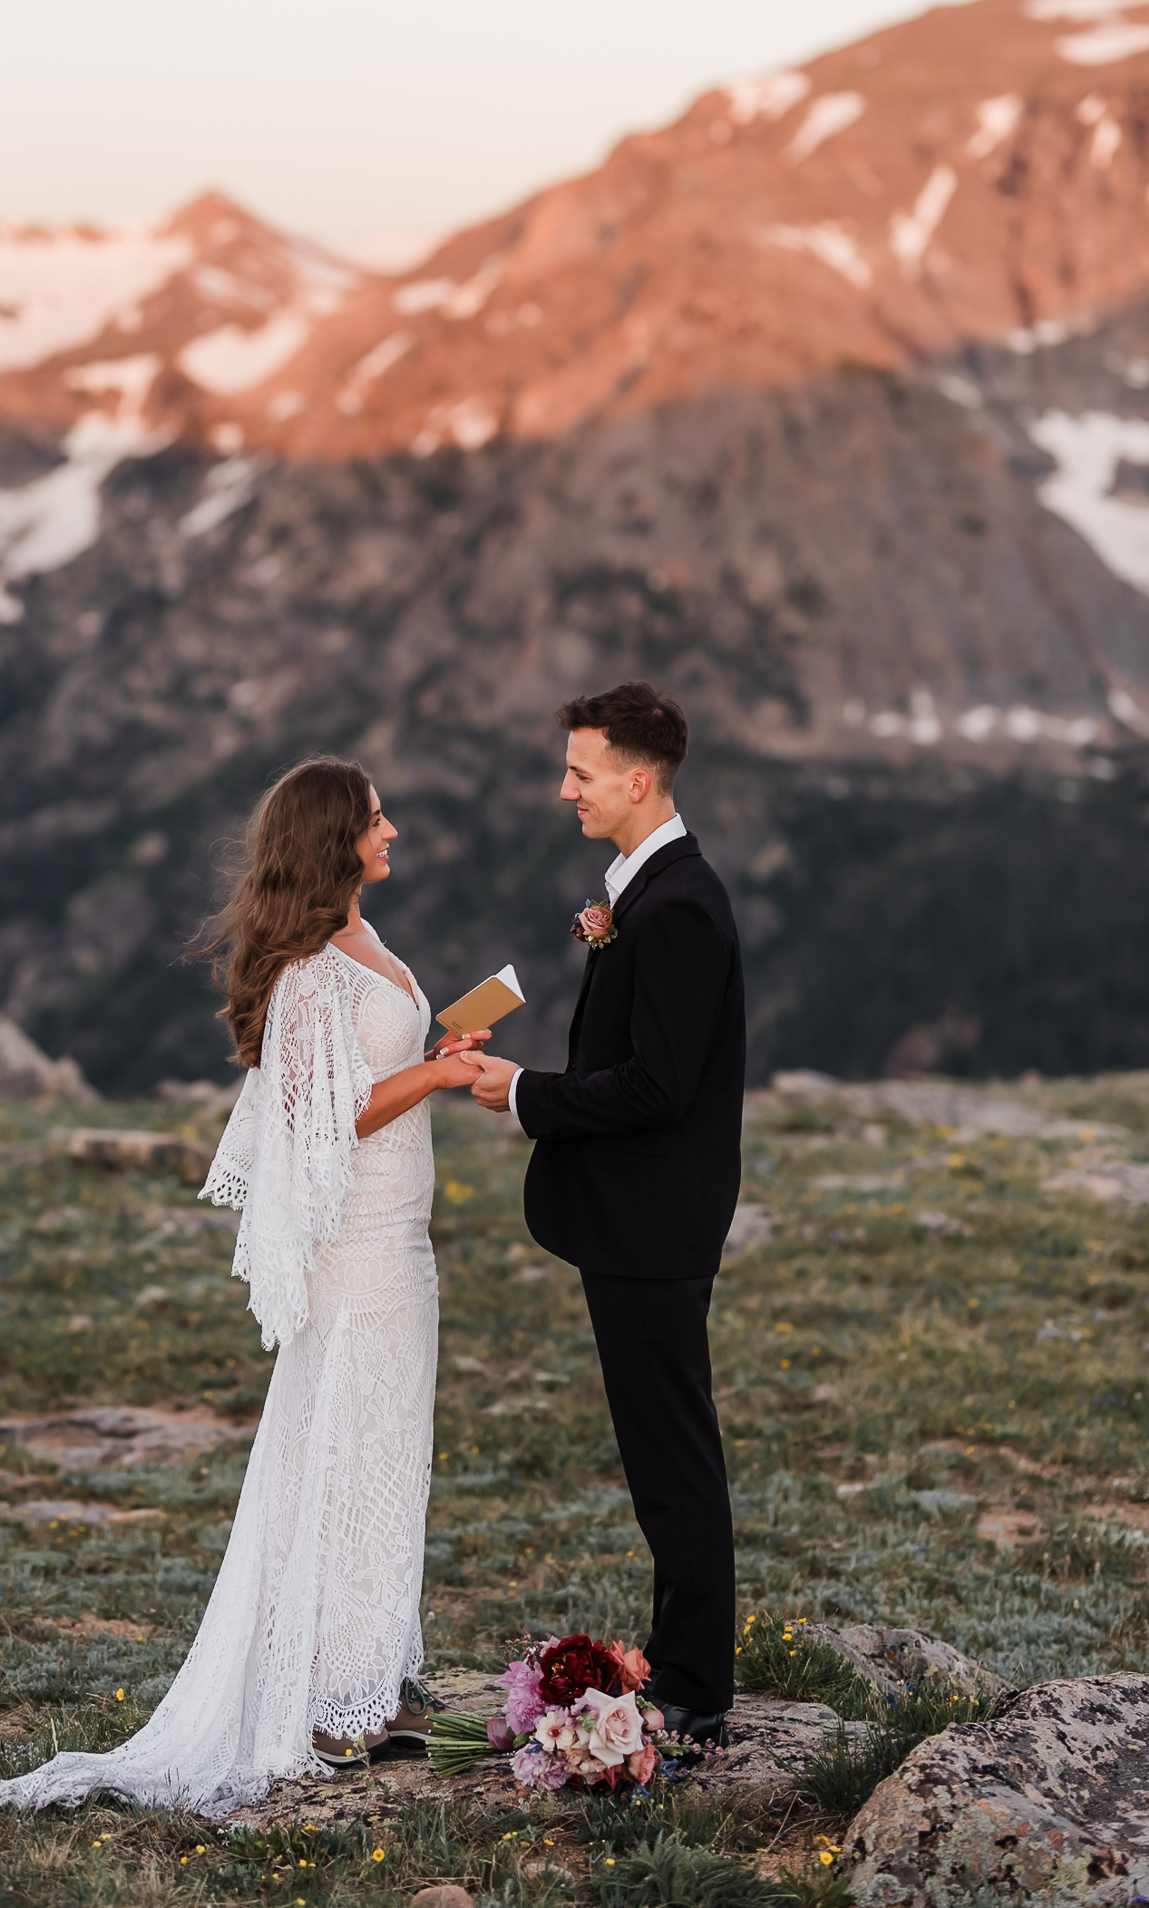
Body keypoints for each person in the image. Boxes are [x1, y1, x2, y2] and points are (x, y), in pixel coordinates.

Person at [0, 758, 488, 1819]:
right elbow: (315, 1120)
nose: (392, 827)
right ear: (336, 835)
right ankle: (328, 1706)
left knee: (388, 1450)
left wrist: (435, 1053)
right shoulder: (307, 971)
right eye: (376, 815)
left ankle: (365, 1679)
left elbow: (361, 1079)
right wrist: (434, 1075)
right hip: (356, 1249)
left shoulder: (365, 940)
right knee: (346, 1447)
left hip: (402, 1239)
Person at [464, 682, 745, 1747]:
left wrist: (526, 1091)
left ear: (637, 779)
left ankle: (691, 1687)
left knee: (672, 1457)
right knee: (661, 1452)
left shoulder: (675, 904)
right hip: (639, 1219)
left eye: (580, 772)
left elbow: (659, 1084)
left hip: (652, 1223)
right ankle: (685, 1665)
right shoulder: (647, 890)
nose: (564, 788)